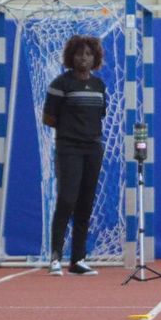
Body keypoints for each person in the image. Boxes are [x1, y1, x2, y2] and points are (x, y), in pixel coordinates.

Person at [42, 35, 108, 276]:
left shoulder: (99, 85)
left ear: (95, 58)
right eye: (79, 54)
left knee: (85, 203)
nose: (84, 58)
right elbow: (49, 117)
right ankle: (55, 257)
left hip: (93, 148)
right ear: (71, 57)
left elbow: (101, 113)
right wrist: (71, 129)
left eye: (89, 54)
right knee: (67, 199)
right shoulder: (61, 84)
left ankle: (78, 259)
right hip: (68, 148)